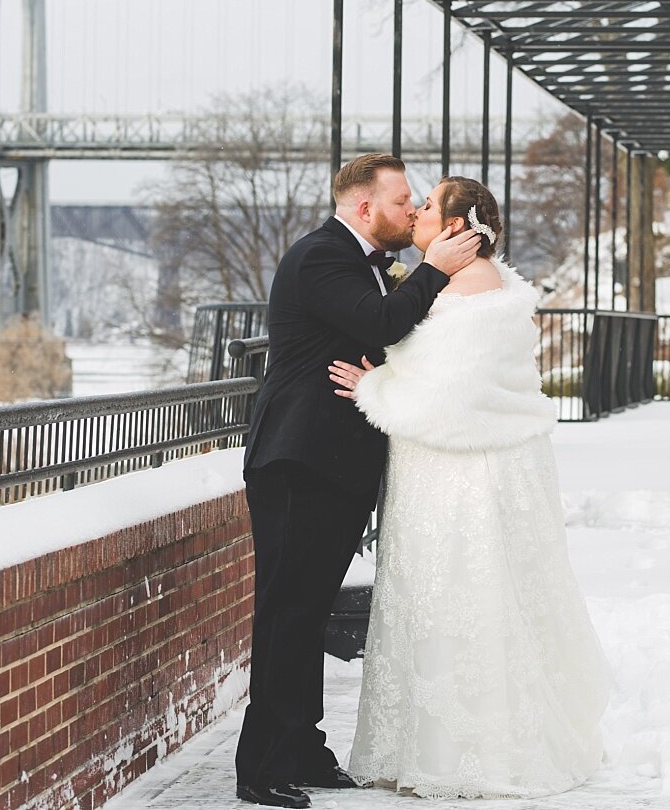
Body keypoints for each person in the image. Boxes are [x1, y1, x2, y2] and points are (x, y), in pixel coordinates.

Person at [326, 176, 610, 798]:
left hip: (459, 475)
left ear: (455, 228)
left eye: (428, 206)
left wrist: (374, 388)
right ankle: (431, 749)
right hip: (451, 468)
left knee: (457, 597)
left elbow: (452, 397)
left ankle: (459, 756)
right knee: (441, 600)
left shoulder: (470, 289)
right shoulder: (481, 283)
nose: (418, 212)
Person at [234, 154, 480, 809]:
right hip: (298, 464)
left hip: (334, 467)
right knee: (286, 615)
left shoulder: (364, 264)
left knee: (308, 614)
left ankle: (304, 750)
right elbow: (380, 324)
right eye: (403, 201)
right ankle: (259, 769)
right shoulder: (321, 256)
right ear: (366, 208)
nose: (412, 210)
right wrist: (434, 271)